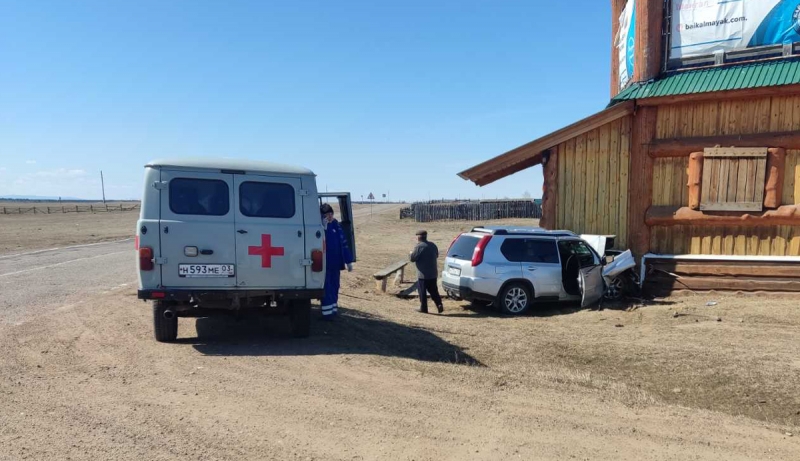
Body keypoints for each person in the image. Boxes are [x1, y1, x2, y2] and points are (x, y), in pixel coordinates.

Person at [320, 203, 353, 319]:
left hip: (336, 264)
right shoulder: (320, 227)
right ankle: (327, 314)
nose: (329, 216)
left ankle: (333, 310)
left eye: (331, 214)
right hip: (325, 265)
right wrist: (323, 228)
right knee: (327, 288)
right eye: (326, 215)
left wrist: (348, 261)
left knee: (335, 286)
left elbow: (343, 243)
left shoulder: (336, 225)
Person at [409, 230, 443, 314]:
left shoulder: (419, 247)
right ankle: (439, 304)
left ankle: (423, 308)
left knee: (422, 291)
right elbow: (437, 255)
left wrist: (410, 253)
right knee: (434, 290)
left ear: (418, 237)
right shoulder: (433, 245)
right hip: (433, 273)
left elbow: (412, 259)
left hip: (423, 275)